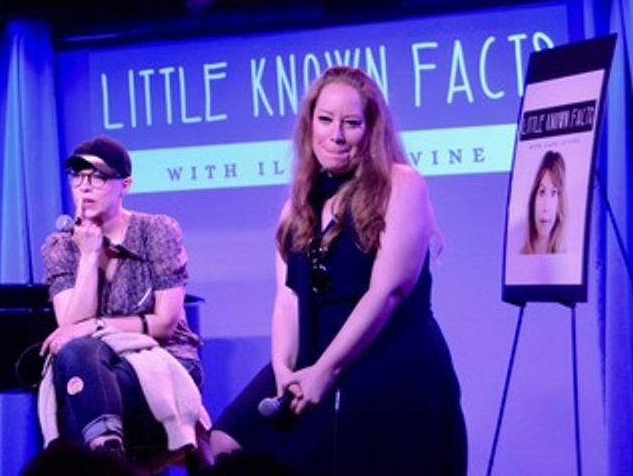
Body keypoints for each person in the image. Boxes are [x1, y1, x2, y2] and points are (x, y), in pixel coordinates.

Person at [211, 66, 466, 475]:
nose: (336, 135)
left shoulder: (401, 184)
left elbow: (387, 293)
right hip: (313, 354)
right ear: (310, 124)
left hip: (385, 352)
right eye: (326, 120)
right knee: (226, 440)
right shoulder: (297, 206)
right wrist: (283, 368)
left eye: (351, 123)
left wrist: (326, 371)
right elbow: (288, 299)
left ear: (372, 129)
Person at [39, 135, 205, 461]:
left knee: (80, 397)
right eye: (78, 176)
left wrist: (97, 326)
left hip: (164, 358)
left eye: (98, 177)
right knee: (80, 356)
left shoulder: (156, 230)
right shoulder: (60, 246)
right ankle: (109, 454)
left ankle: (104, 461)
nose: (85, 187)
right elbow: (71, 328)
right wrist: (89, 256)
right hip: (94, 363)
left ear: (124, 185)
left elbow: (166, 324)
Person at [520, 150, 567, 255]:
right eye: (542, 192)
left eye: (553, 193)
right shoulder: (519, 256)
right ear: (533, 199)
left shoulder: (566, 258)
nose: (546, 207)